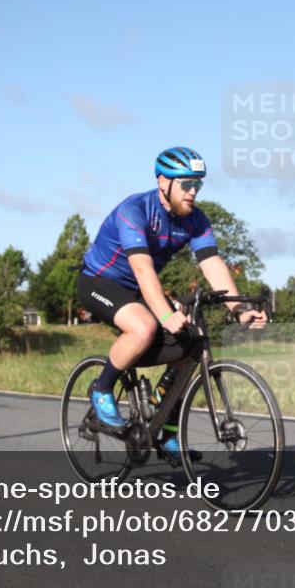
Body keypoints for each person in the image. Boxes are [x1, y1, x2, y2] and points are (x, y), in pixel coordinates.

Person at [76, 146, 266, 463]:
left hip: (139, 288)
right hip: (100, 282)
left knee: (191, 345)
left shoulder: (196, 220)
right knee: (145, 326)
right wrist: (164, 312)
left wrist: (238, 309)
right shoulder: (134, 211)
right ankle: (102, 388)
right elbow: (142, 269)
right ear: (163, 181)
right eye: (186, 184)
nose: (193, 192)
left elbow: (212, 264)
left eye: (197, 185)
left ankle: (166, 430)